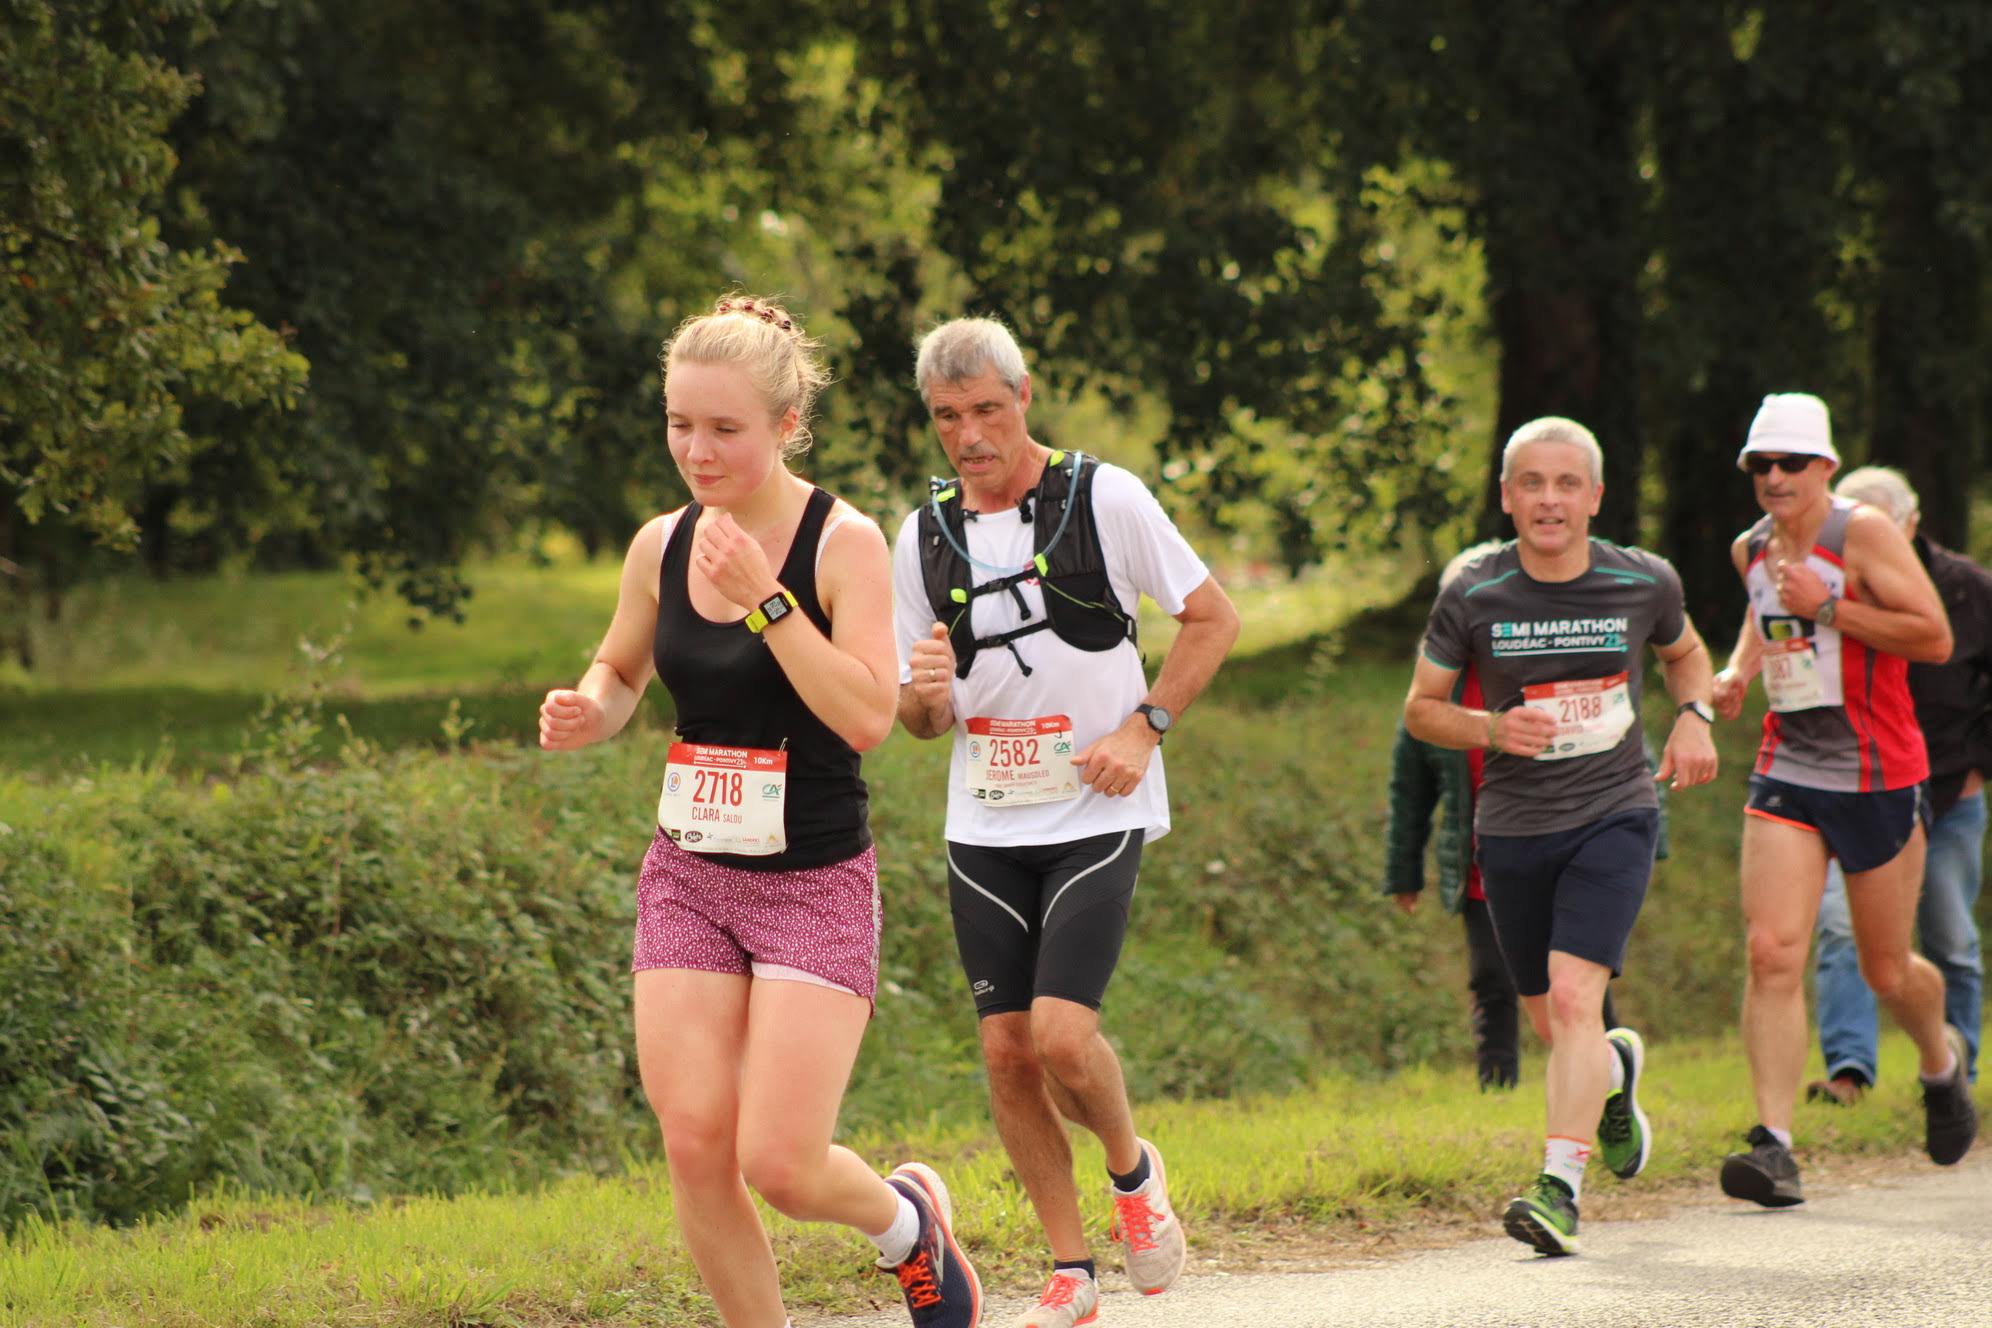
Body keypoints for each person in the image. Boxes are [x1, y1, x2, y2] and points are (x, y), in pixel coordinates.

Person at [538, 296, 981, 1328]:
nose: (697, 451)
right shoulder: (659, 544)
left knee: (780, 1163)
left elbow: (867, 717)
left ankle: (906, 1223)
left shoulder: (843, 543)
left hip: (812, 883)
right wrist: (592, 707)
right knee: (695, 1142)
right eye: (679, 424)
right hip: (689, 875)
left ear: (786, 424)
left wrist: (766, 599)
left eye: (724, 428)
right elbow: (621, 667)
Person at [892, 317, 1239, 1328]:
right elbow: (918, 720)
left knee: (1060, 1035)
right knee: (1006, 1050)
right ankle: (1070, 1270)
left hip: (1098, 804)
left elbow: (1213, 617)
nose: (970, 436)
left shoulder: (1105, 497)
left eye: (985, 410)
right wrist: (924, 694)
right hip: (985, 822)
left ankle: (1132, 1174)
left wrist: (1146, 725)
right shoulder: (920, 537)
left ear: (1024, 395)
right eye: (948, 417)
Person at [1404, 416, 1719, 1257]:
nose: (1550, 500)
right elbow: (1421, 710)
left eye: (1567, 484)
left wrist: (1694, 716)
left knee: (1579, 1001)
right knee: (1554, 1023)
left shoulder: (1642, 580)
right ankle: (1613, 1074)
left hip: (1615, 813)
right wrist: (1488, 729)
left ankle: (1558, 1191)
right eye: (1533, 484)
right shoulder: (1473, 591)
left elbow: (1687, 654)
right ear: (1507, 497)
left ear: (1596, 497)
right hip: (1512, 828)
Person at [1711, 394, 1976, 1209]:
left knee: (1886, 969)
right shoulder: (1751, 547)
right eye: (1761, 464)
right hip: (1789, 765)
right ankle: (1775, 1147)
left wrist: (1827, 607)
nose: (1775, 477)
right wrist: (1738, 670)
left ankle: (1941, 1062)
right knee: (1772, 951)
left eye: (1791, 462)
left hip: (1879, 773)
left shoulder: (1864, 533)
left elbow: (1933, 635)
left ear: (1825, 466)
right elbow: (1763, 616)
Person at [1385, 547, 1648, 1090]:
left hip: (1573, 844)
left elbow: (1623, 745)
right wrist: (1403, 872)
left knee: (1579, 977)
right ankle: (1497, 1083)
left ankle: (1611, 1078)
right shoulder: (1434, 698)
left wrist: (1643, 836)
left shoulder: (1552, 662)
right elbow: (1411, 793)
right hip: (1488, 861)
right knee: (1492, 977)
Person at [1791, 468, 1985, 1105]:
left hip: (1949, 790)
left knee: (1949, 938)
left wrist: (1978, 765)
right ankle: (1850, 1072)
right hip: (1853, 785)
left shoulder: (1966, 588)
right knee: (1841, 932)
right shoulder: (1816, 576)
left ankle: (1954, 1074)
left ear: (1910, 524)